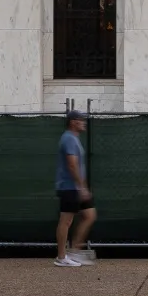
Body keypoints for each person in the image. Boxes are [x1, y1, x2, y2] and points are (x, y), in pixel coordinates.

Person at [54, 112, 97, 266]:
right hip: (69, 187)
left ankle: (74, 251)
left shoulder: (74, 138)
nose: (84, 122)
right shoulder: (69, 138)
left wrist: (82, 187)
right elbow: (72, 165)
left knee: (90, 215)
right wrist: (81, 187)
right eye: (81, 120)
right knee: (66, 221)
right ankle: (61, 257)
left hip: (77, 187)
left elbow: (77, 166)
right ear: (73, 122)